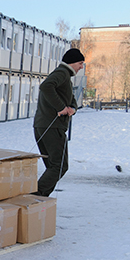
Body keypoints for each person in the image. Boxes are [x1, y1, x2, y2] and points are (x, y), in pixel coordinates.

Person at [33, 48, 85, 197]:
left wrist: (72, 108)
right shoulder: (62, 73)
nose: (81, 67)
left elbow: (71, 100)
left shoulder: (64, 76)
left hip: (43, 125)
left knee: (53, 166)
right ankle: (35, 197)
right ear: (72, 62)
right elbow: (45, 86)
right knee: (59, 166)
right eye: (80, 63)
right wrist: (61, 107)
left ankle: (40, 198)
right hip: (52, 126)